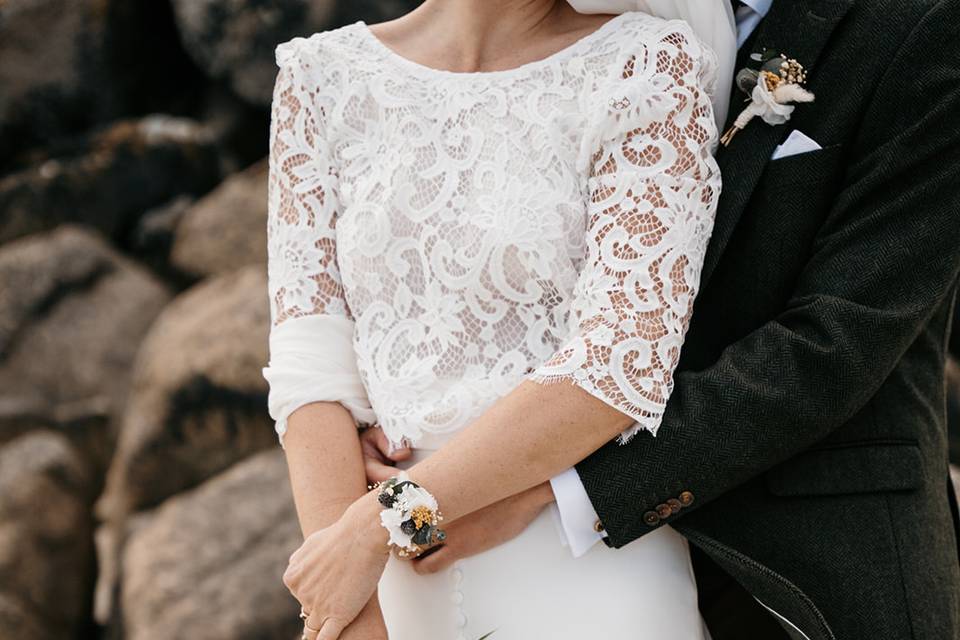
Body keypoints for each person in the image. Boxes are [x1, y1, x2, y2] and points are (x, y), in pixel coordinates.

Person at [357, 0, 960, 638]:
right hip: (575, 561)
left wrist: (550, 490)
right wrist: (410, 416)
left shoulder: (922, 24)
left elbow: (833, 348)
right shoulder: (590, 13)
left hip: (810, 564)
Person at [261, 0, 736, 638]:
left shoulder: (643, 67)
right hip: (381, 580)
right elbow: (309, 358)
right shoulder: (320, 76)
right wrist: (349, 617)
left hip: (580, 565)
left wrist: (380, 523)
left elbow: (619, 365)